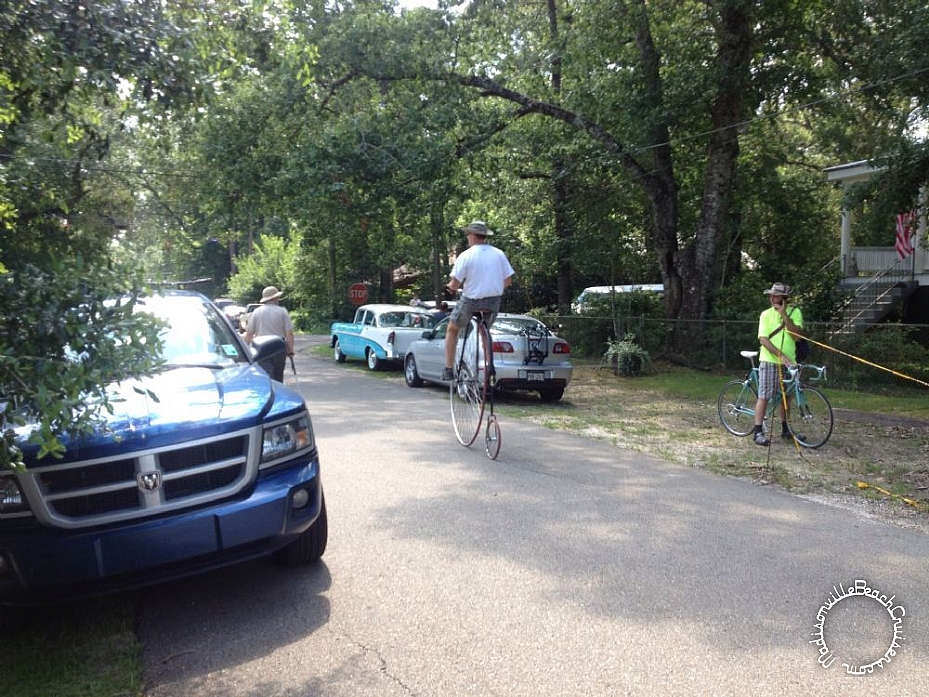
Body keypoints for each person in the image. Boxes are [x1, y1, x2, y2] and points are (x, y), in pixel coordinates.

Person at [442, 221, 516, 380]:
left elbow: (454, 284)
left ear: (473, 236)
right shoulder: (498, 253)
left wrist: (449, 288)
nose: (467, 237)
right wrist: (494, 286)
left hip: (471, 302)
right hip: (493, 302)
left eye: (468, 234)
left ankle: (448, 369)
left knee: (452, 328)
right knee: (484, 331)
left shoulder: (466, 255)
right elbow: (508, 280)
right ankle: (490, 366)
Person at [752, 282, 804, 446]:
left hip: (791, 362)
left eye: (776, 295)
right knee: (765, 395)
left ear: (784, 298)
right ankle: (758, 431)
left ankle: (785, 429)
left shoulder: (795, 312)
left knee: (786, 397)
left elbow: (797, 336)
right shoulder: (765, 315)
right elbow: (763, 339)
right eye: (771, 295)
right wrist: (780, 356)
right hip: (769, 360)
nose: (772, 298)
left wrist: (784, 316)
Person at [244, 285, 295, 382]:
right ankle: (278, 393)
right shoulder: (282, 311)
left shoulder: (257, 312)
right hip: (279, 346)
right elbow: (289, 333)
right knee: (278, 375)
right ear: (274, 298)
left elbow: (249, 333)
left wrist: (244, 349)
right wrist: (291, 350)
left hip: (261, 347)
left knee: (265, 374)